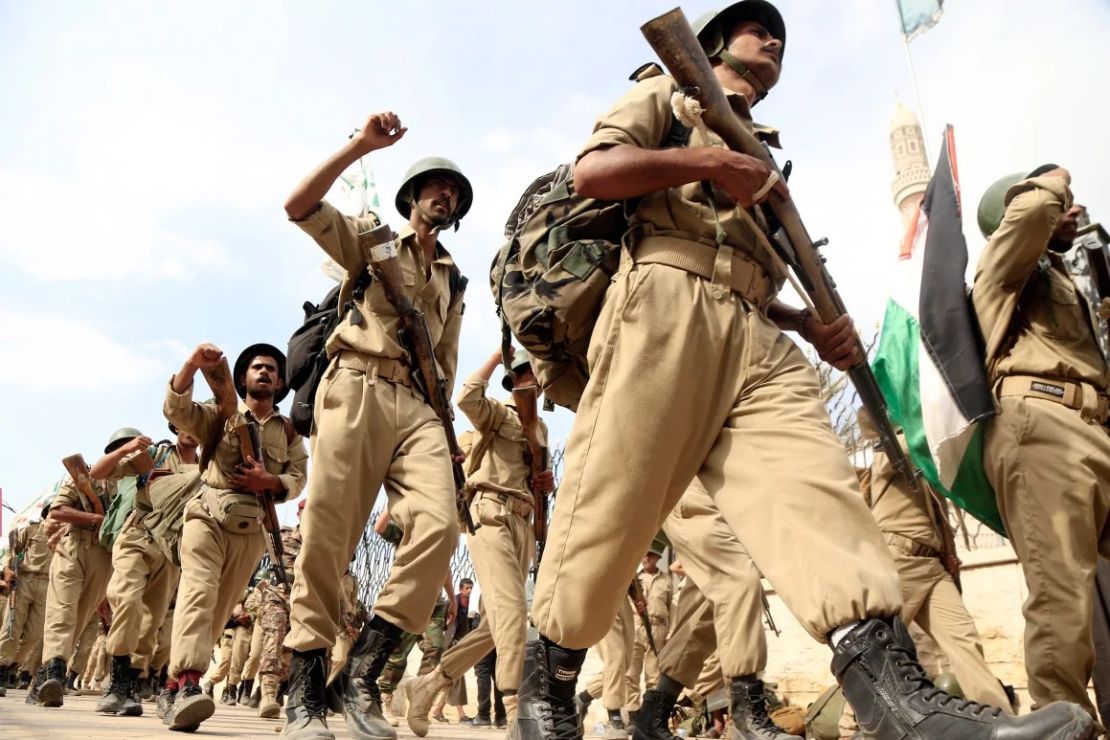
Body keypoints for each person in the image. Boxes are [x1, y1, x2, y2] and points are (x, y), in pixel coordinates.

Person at [521, 3, 1096, 739]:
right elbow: (595, 174)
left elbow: (758, 259)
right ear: (718, 44)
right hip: (665, 300)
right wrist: (707, 160)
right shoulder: (666, 94)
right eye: (760, 30)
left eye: (782, 40)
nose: (775, 42)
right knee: (612, 503)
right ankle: (545, 706)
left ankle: (901, 706)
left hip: (759, 332)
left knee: (819, 498)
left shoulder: (762, 145)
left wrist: (810, 326)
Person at [282, 110, 471, 740]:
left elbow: (443, 367)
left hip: (418, 407)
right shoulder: (372, 237)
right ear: (412, 197)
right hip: (357, 383)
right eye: (434, 187)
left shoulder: (454, 277)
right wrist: (360, 145)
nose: (444, 195)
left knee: (441, 526)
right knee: (328, 538)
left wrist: (449, 442)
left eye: (453, 192)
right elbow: (298, 204)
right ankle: (305, 688)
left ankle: (361, 671)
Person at [973, 165, 1110, 719]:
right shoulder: (1001, 272)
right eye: (1062, 207)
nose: (1071, 211)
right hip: (1041, 426)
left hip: (1094, 428)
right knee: (1062, 598)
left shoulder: (1067, 279)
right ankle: (1064, 725)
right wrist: (1053, 178)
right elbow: (1031, 212)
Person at [404, 350, 553, 736]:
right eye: (528, 371)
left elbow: (536, 477)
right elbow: (467, 396)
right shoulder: (499, 414)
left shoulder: (541, 430)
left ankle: (431, 682)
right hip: (490, 515)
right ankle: (516, 712)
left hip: (523, 522)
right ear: (517, 376)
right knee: (512, 613)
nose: (536, 377)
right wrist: (500, 355)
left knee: (499, 622)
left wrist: (545, 483)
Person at [161, 341, 307, 732]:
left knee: (220, 608)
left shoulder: (288, 430)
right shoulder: (221, 413)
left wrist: (270, 480)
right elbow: (177, 411)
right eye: (258, 367)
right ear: (242, 378)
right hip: (207, 516)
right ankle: (190, 682)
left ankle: (174, 684)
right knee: (199, 592)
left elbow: (298, 477)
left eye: (273, 369)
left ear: (279, 383)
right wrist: (191, 365)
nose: (265, 372)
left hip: (253, 529)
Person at [93, 423, 199, 716]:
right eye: (186, 421)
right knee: (125, 599)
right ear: (176, 426)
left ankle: (132, 683)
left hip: (170, 549)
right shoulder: (156, 454)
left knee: (151, 622)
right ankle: (116, 681)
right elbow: (98, 472)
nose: (192, 429)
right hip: (137, 535)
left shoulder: (208, 469)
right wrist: (128, 449)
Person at [38, 428, 145, 708]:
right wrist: (96, 517)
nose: (130, 454)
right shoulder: (85, 477)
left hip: (106, 556)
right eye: (123, 448)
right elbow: (57, 511)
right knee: (62, 611)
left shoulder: (138, 484)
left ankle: (45, 675)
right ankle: (55, 674)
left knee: (81, 616)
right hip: (73, 546)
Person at [0, 513, 53, 694]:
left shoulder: (66, 532)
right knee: (11, 627)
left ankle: (13, 663)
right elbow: (11, 549)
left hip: (48, 585)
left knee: (35, 634)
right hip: (24, 581)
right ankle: (1, 668)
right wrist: (7, 568)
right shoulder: (32, 529)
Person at [626, 545, 672, 723]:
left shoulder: (666, 580)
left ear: (658, 558)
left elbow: (672, 608)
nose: (646, 559)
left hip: (658, 628)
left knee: (653, 675)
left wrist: (671, 632)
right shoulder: (634, 579)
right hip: (636, 627)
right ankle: (633, 715)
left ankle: (649, 716)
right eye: (644, 555)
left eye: (651, 556)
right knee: (631, 673)